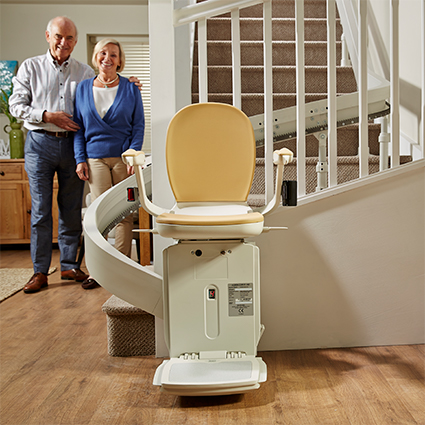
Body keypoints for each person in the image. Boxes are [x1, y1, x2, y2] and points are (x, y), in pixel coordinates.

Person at [9, 17, 141, 294]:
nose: (63, 43)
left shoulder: (82, 73)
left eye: (69, 38)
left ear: (76, 42)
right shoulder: (31, 67)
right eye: (59, 36)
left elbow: (107, 87)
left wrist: (130, 82)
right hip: (39, 143)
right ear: (48, 35)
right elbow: (16, 105)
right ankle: (40, 271)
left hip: (70, 146)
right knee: (42, 210)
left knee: (71, 209)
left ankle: (70, 264)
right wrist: (46, 116)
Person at [73, 38, 145, 289]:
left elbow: (138, 125)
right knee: (100, 215)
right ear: (96, 57)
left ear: (119, 60)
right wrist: (80, 159)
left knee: (125, 213)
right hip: (95, 159)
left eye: (113, 54)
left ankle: (121, 267)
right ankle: (98, 270)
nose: (107, 58)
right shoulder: (82, 88)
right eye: (103, 53)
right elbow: (78, 129)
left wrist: (134, 154)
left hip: (124, 160)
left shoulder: (131, 88)